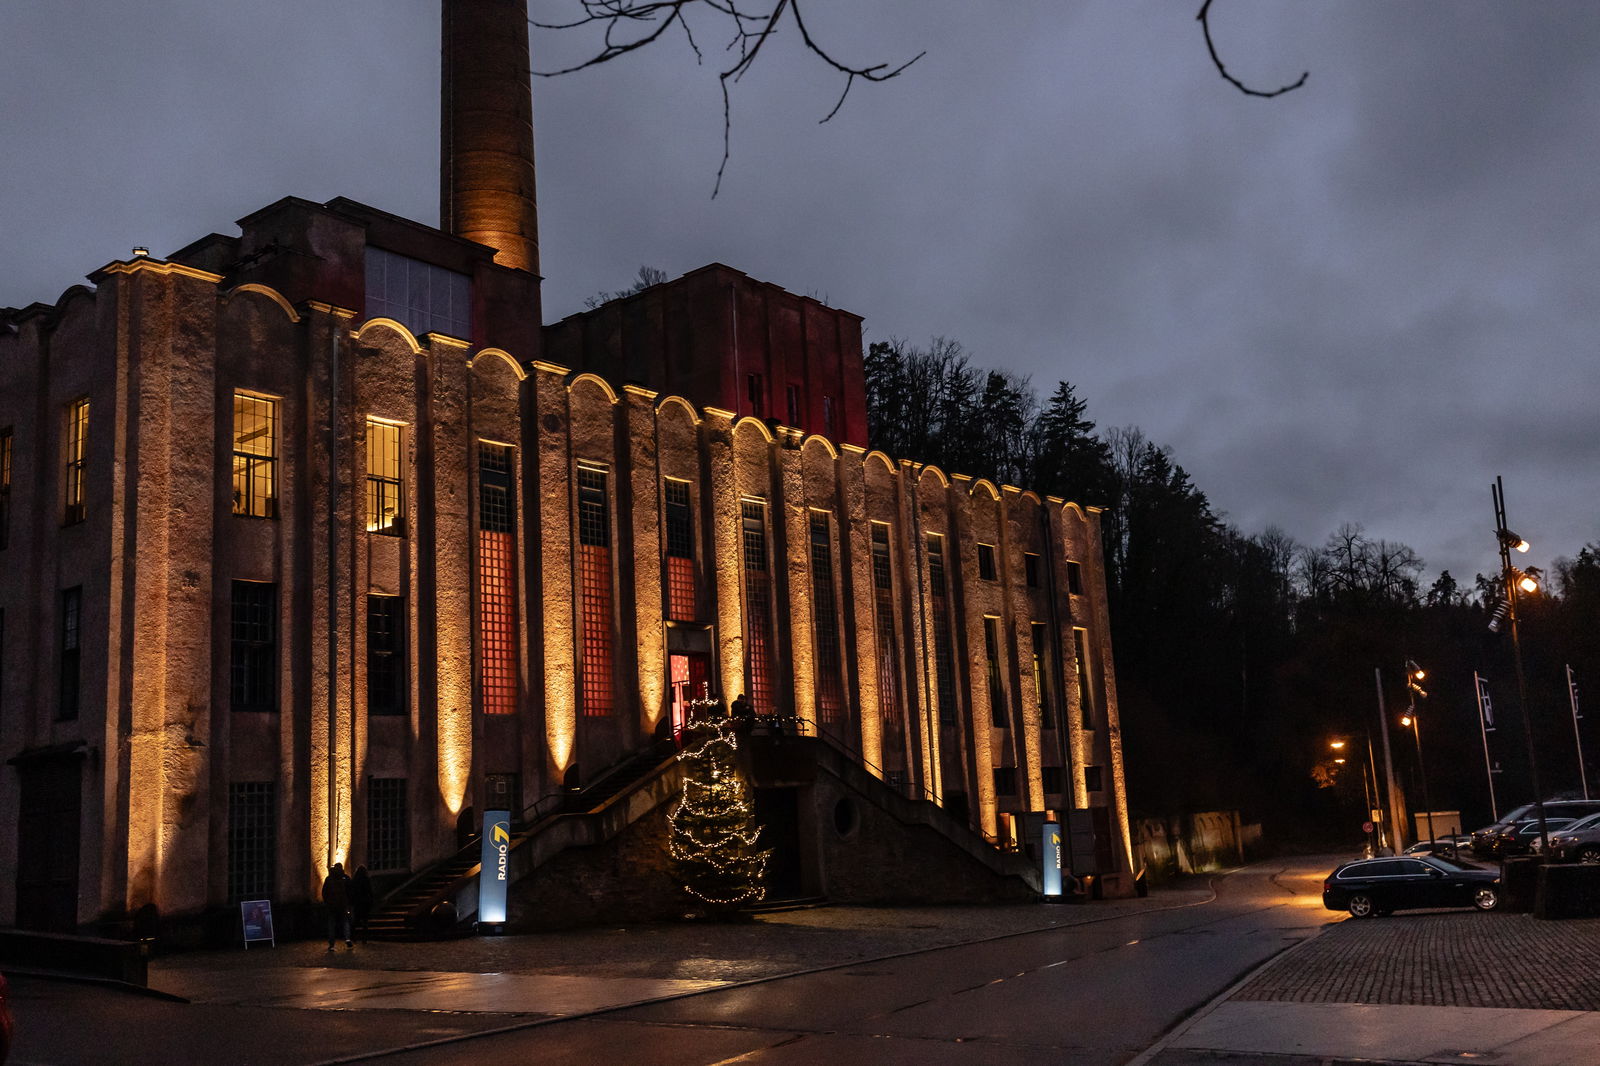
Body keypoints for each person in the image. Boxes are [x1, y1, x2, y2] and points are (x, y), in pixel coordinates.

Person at [322, 862, 352, 950]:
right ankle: (347, 938)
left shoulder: (329, 878)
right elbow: (350, 891)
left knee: (331, 924)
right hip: (343, 904)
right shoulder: (345, 878)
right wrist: (349, 903)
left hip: (331, 905)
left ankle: (331, 943)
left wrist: (327, 902)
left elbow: (324, 892)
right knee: (345, 922)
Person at [349, 865, 374, 944]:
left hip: (357, 903)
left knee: (356, 921)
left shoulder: (354, 881)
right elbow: (370, 891)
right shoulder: (366, 880)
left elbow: (352, 892)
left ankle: (353, 937)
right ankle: (364, 938)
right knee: (365, 921)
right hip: (365, 903)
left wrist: (352, 902)